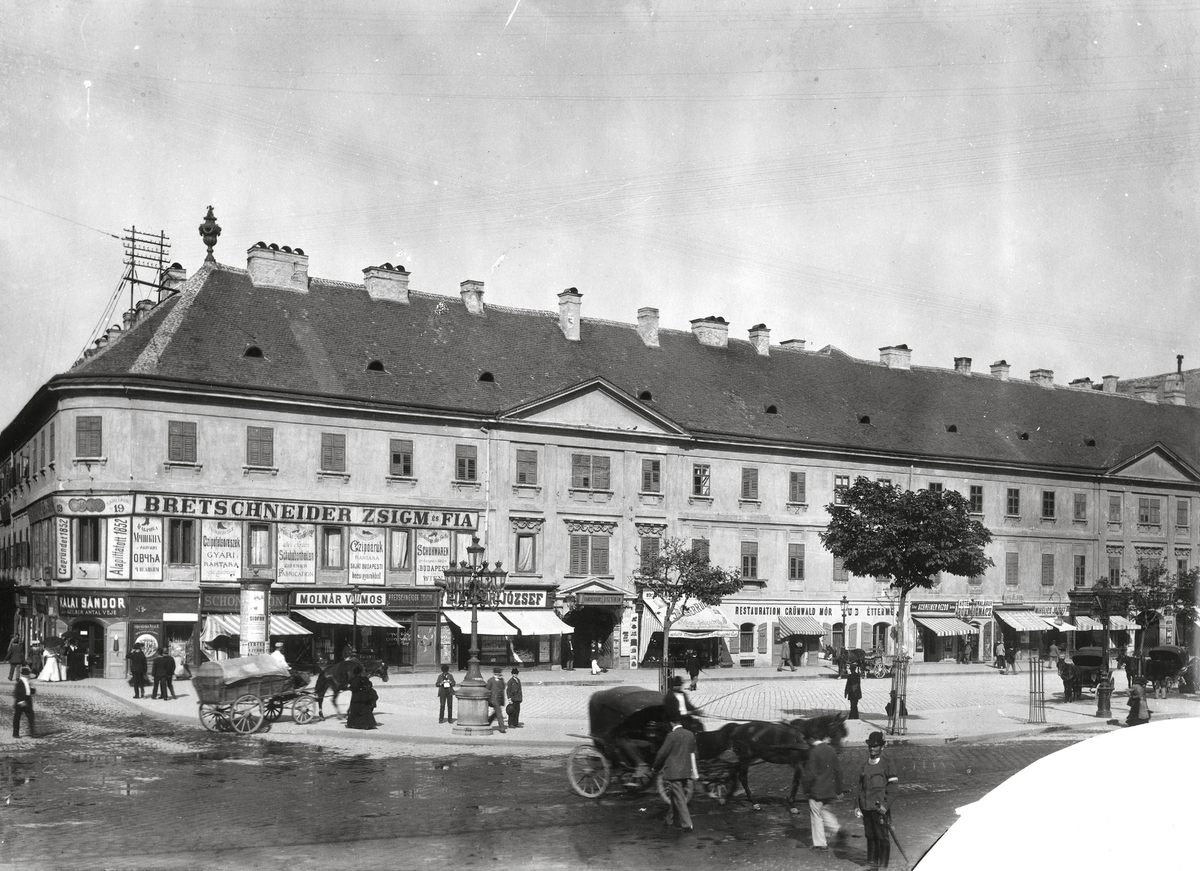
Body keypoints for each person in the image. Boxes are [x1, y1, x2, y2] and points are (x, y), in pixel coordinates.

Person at [855, 731, 899, 870]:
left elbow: (893, 788)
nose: (872, 749)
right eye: (870, 746)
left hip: (879, 809)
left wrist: (885, 806)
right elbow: (860, 787)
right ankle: (871, 863)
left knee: (882, 837)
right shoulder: (864, 765)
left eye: (875, 746)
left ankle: (883, 865)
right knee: (870, 835)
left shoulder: (887, 763)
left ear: (882, 746)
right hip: (866, 807)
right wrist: (857, 806)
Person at [650, 717, 699, 833]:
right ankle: (669, 819)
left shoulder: (671, 736)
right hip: (686, 770)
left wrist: (655, 767)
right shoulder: (690, 734)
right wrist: (694, 770)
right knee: (674, 795)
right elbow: (694, 753)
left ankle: (687, 824)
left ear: (671, 723)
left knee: (679, 797)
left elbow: (662, 753)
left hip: (674, 772)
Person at [800, 731, 844, 851]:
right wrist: (839, 789)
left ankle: (820, 843)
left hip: (816, 790)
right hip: (829, 789)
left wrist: (806, 788)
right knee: (824, 811)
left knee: (816, 815)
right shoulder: (830, 750)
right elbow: (838, 771)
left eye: (807, 740)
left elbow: (810, 774)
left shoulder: (814, 752)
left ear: (811, 739)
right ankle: (837, 829)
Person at [346, 664, 378, 730]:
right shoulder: (364, 678)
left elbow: (354, 688)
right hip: (365, 699)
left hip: (357, 699)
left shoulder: (354, 679)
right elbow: (370, 684)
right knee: (365, 711)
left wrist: (350, 687)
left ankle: (356, 724)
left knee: (355, 711)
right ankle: (368, 724)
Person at [12, 666, 35, 739]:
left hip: (27, 701)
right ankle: (15, 733)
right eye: (28, 674)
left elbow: (30, 691)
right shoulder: (20, 682)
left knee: (31, 716)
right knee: (17, 718)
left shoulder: (27, 682)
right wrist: (21, 702)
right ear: (26, 675)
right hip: (20, 702)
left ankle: (32, 733)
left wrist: (32, 688)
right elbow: (16, 693)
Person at [486, 666, 507, 733]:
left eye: (499, 674)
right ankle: (502, 728)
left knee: (496, 713)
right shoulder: (490, 680)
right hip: (493, 699)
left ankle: (488, 722)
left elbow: (503, 688)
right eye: (498, 674)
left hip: (499, 699)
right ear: (495, 674)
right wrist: (489, 699)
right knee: (499, 713)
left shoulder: (501, 680)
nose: (499, 675)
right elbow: (487, 690)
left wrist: (501, 681)